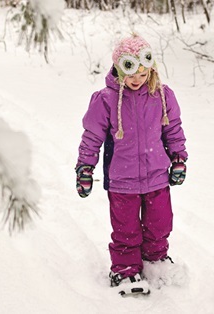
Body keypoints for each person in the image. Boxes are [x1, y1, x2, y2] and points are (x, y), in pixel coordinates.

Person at [75, 34, 188, 296]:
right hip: (122, 180)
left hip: (157, 176)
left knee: (159, 225)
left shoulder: (161, 95)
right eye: (130, 72)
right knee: (126, 230)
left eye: (142, 72)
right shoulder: (105, 100)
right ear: (118, 69)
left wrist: (179, 157)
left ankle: (155, 260)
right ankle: (125, 270)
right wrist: (85, 168)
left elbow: (173, 129)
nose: (137, 79)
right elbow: (92, 136)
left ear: (150, 68)